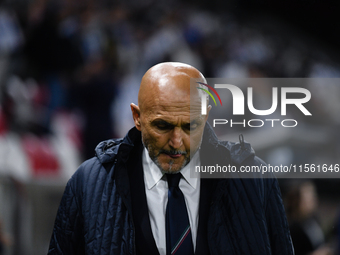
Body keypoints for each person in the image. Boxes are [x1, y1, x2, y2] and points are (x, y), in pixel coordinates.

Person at [48, 62, 294, 254]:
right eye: (163, 125)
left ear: (206, 117)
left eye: (190, 126)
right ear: (137, 117)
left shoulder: (254, 179)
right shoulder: (89, 183)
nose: (177, 142)